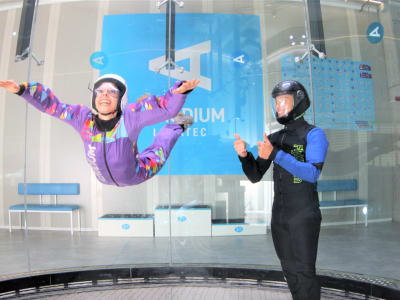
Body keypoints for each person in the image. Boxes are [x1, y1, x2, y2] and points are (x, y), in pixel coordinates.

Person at [0, 74, 199, 187]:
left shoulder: (129, 117)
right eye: (100, 91)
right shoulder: (83, 119)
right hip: (103, 179)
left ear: (121, 98)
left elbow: (165, 108)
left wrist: (178, 91)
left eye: (112, 91)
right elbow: (53, 106)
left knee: (159, 150)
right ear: (94, 97)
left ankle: (179, 124)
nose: (104, 95)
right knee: (145, 114)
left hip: (136, 174)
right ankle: (145, 103)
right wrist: (22, 90)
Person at [233, 80, 329, 300]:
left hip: (304, 215)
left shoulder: (314, 134)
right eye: (276, 103)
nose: (279, 107)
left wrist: (276, 154)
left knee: (305, 271)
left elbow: (312, 173)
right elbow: (255, 175)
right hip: (280, 216)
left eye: (284, 101)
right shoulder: (275, 138)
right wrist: (244, 155)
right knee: (289, 270)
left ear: (299, 101)